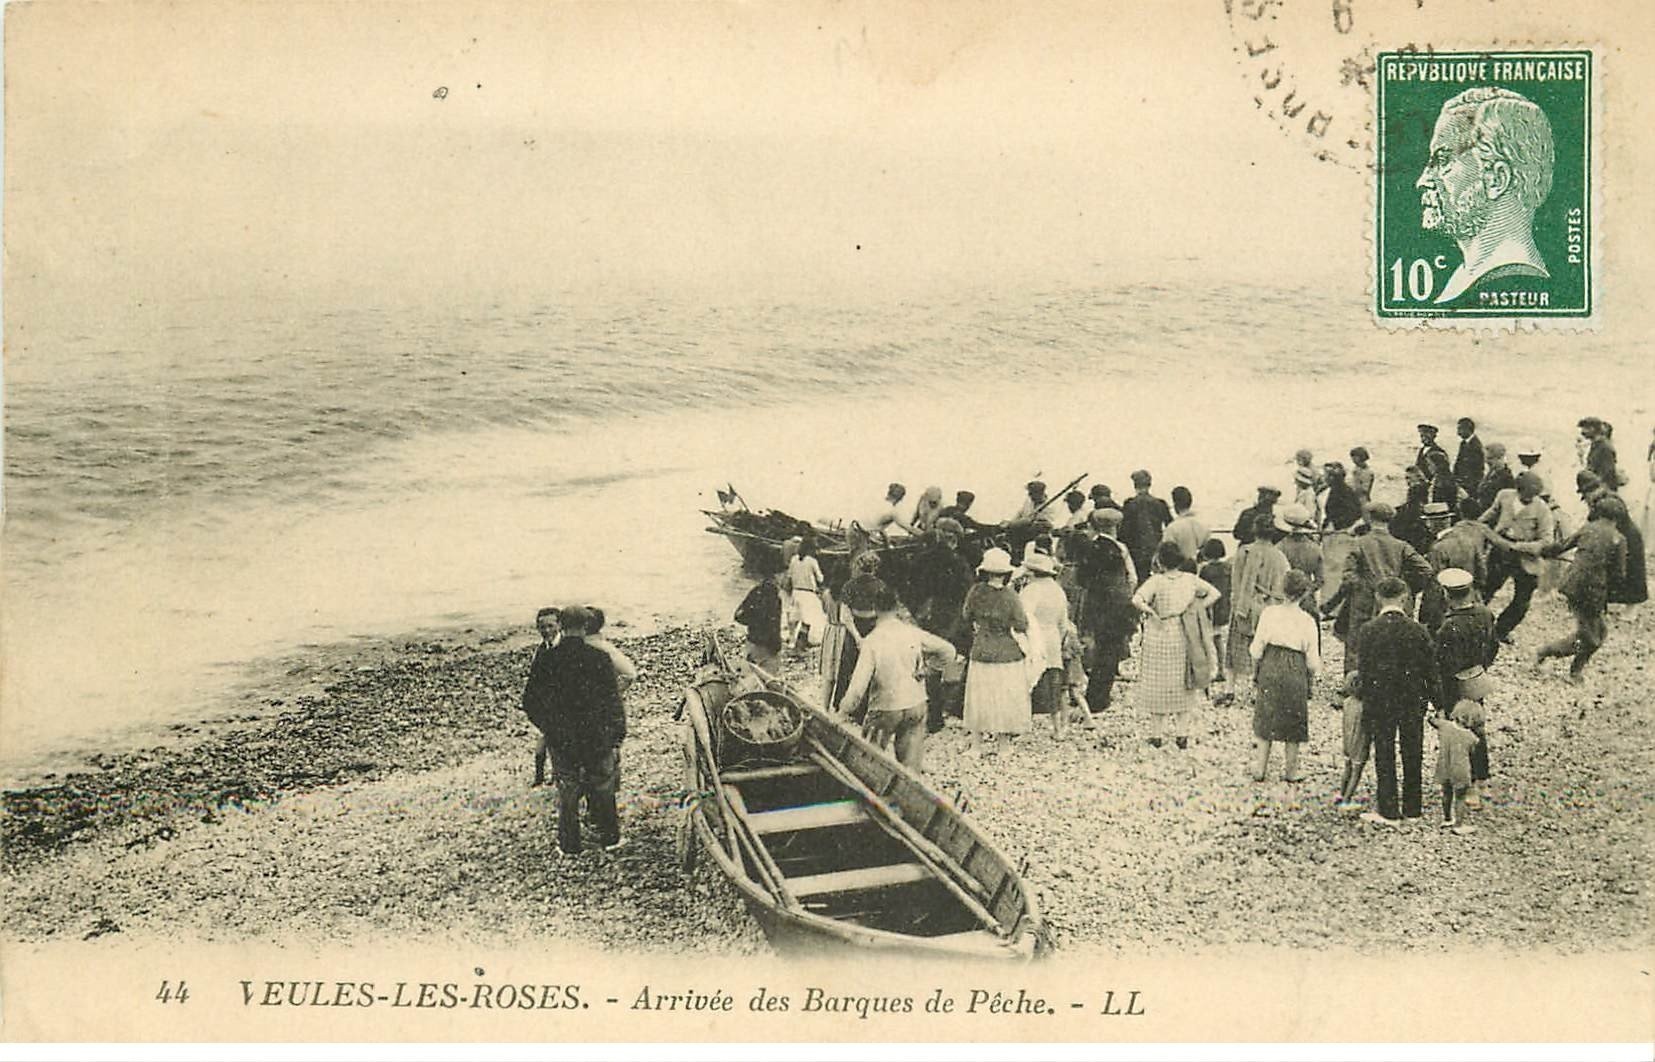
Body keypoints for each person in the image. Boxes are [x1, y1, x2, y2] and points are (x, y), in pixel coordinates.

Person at [1415, 87, 1556, 306]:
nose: (1422, 181)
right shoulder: (1464, 278)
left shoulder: (1511, 280)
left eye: (1442, 161)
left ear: (1496, 180)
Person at [533, 605, 628, 855]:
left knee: (567, 789)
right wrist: (616, 735)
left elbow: (531, 701)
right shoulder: (599, 658)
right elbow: (613, 701)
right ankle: (610, 838)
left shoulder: (547, 659)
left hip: (562, 737)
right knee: (603, 786)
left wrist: (549, 727)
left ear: (561, 626)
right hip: (596, 735)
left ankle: (569, 844)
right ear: (586, 627)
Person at [836, 583, 956, 773]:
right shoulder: (912, 632)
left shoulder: (872, 641)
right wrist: (927, 670)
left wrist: (842, 712)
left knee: (870, 763)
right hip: (916, 703)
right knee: (910, 768)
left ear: (874, 609)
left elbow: (857, 689)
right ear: (897, 607)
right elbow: (948, 651)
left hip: (885, 707)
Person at [1356, 578, 1436, 825]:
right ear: (1404, 598)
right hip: (1412, 700)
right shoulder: (1418, 630)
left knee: (1384, 751)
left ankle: (1389, 808)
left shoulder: (1368, 630)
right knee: (1413, 750)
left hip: (1380, 701)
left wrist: (1363, 699)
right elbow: (1430, 670)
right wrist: (1438, 702)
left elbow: (1364, 671)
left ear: (1378, 597)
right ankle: (1413, 807)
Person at [1130, 541, 1221, 750]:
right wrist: (1197, 608)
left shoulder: (1156, 581)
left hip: (1159, 631)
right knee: (1184, 680)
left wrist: (1151, 612)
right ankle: (1182, 733)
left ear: (1160, 561)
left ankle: (1156, 734)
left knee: (1157, 681)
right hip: (1183, 630)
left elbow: (1137, 599)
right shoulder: (1190, 579)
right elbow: (1215, 593)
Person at [1330, 502, 1433, 673]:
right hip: (1394, 601)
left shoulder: (1359, 543)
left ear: (1370, 519)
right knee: (1394, 644)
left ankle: (1354, 684)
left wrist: (1362, 587)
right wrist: (1406, 588)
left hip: (1364, 603)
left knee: (1357, 647)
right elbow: (1426, 570)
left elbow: (1348, 577)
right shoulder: (1401, 546)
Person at [1536, 494, 1628, 684]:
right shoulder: (1618, 539)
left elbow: (1561, 546)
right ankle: (1554, 657)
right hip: (1593, 591)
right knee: (1592, 638)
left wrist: (1543, 551)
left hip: (1572, 585)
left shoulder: (1588, 528)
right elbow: (1619, 574)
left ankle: (1569, 665)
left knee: (1597, 633)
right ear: (1618, 518)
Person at [1248, 569, 1322, 782]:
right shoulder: (1307, 620)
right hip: (1295, 667)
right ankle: (1291, 770)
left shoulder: (1269, 613)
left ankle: (1260, 768)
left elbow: (1256, 649)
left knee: (1266, 716)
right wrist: (1312, 676)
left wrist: (1256, 670)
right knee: (1294, 717)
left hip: (1271, 663)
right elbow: (1312, 660)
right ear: (1305, 593)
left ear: (1282, 589)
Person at [1431, 567, 1496, 805]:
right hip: (1477, 678)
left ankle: (1467, 787)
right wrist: (1482, 666)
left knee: (1458, 734)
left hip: (1454, 686)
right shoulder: (1485, 614)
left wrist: (1438, 698)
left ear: (1446, 594)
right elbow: (1493, 645)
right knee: (1477, 728)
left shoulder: (1447, 627)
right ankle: (1483, 779)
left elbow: (1441, 665)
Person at [961, 548, 1032, 754]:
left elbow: (966, 615)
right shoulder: (1010, 595)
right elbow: (1021, 624)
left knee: (979, 697)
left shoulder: (976, 592)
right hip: (1006, 651)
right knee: (1004, 697)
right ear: (1006, 573)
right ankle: (1003, 745)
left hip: (982, 648)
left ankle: (976, 745)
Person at [910, 517, 974, 731]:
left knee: (930, 663)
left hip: (928, 614)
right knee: (969, 655)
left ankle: (933, 715)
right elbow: (967, 590)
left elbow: (911, 586)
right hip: (953, 615)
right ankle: (958, 706)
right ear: (953, 539)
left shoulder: (923, 558)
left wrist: (918, 610)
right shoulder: (959, 562)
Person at [1077, 508, 1138, 720]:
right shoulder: (1121, 548)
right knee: (1111, 651)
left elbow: (1082, 579)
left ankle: (1094, 696)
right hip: (1118, 606)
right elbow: (1132, 578)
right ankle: (1100, 696)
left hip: (1097, 605)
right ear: (1115, 527)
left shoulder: (1090, 548)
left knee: (1098, 648)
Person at [1480, 470, 1554, 643]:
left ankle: (1501, 630)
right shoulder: (1504, 495)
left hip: (1525, 557)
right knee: (1487, 588)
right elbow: (1490, 514)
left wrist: (1518, 547)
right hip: (1500, 550)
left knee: (1522, 600)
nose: (1529, 498)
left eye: (1533, 496)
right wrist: (1477, 525)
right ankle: (1473, 624)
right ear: (1518, 489)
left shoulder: (1542, 510)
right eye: (1526, 495)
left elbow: (1546, 541)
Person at [1226, 512, 1289, 696]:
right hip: (1269, 606)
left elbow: (1236, 583)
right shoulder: (1279, 556)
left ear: (1254, 530)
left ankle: (1230, 688)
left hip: (1245, 604)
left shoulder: (1244, 552)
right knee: (1263, 648)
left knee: (1235, 648)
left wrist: (1237, 604)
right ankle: (1256, 689)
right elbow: (1282, 586)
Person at [1020, 550, 1075, 736]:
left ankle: (1023, 722)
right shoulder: (1058, 590)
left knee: (1027, 680)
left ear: (1032, 572)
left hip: (1033, 638)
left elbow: (1023, 618)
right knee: (1055, 684)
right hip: (1053, 638)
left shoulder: (1030, 590)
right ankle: (1058, 727)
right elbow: (1064, 622)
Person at [1417, 498, 1488, 630]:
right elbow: (1482, 571)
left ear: (1432, 523)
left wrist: (1425, 615)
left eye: (1427, 521)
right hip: (1470, 599)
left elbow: (1434, 586)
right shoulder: (1469, 540)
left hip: (1445, 608)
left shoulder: (1438, 548)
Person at [523, 606, 564, 788]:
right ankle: (541, 777)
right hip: (547, 706)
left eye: (550, 626)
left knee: (556, 742)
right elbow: (534, 682)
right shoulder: (541, 650)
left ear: (559, 625)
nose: (546, 631)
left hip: (564, 705)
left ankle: (556, 776)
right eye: (542, 627)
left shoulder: (567, 648)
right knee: (548, 739)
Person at [1432, 700, 1486, 835]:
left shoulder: (1445, 726)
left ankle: (1447, 818)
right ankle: (1459, 824)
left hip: (1444, 767)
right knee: (1460, 797)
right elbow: (1473, 750)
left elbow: (1433, 721)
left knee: (1446, 793)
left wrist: (1435, 716)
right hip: (1460, 771)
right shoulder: (1471, 737)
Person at [1120, 470, 1172, 585]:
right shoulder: (1160, 504)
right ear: (1150, 484)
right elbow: (1170, 527)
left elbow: (1123, 532)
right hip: (1155, 550)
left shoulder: (1129, 504)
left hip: (1135, 552)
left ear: (1135, 485)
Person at [1276, 504, 1324, 625]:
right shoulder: (1315, 549)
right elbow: (1320, 580)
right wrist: (1306, 591)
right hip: (1307, 600)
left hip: (1284, 599)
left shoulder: (1280, 548)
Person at [734, 561, 785, 674]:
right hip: (767, 647)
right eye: (782, 574)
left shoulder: (754, 592)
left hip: (751, 642)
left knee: (749, 676)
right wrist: (777, 647)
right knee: (768, 679)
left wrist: (753, 623)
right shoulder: (775, 597)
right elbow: (774, 625)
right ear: (776, 576)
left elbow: (738, 615)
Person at [1197, 538, 1233, 699]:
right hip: (1225, 606)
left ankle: (1210, 670)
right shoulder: (1228, 568)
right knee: (1218, 638)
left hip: (1211, 607)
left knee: (1207, 640)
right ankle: (1221, 669)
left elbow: (1201, 590)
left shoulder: (1206, 570)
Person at [1332, 671, 1369, 811]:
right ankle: (1347, 800)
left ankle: (1341, 794)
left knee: (1347, 768)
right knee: (1356, 772)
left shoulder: (1347, 703)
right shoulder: (1364, 707)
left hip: (1347, 742)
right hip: (1359, 742)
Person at [787, 538, 827, 650]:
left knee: (794, 618)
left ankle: (792, 641)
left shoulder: (794, 559)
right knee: (807, 620)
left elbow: (789, 576)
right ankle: (801, 644)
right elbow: (820, 578)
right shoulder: (812, 561)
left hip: (796, 591)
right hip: (808, 593)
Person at [1163, 486, 1209, 566]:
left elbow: (1167, 553)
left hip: (1179, 567)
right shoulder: (1203, 525)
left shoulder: (1172, 528)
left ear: (1175, 505)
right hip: (1199, 567)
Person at [1578, 417, 1622, 489]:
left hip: (1604, 489)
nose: (1582, 432)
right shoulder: (1595, 445)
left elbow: (1608, 472)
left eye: (1585, 428)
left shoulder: (1604, 447)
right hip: (1596, 488)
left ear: (1592, 429)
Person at [1321, 461, 1363, 534]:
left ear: (1332, 477)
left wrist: (1334, 524)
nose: (1323, 478)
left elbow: (1354, 512)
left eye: (1325, 475)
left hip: (1341, 531)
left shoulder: (1343, 492)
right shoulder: (1333, 489)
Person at [1476, 441, 1516, 512]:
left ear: (1500, 458)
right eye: (1485, 458)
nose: (1486, 461)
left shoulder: (1506, 477)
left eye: (1490, 458)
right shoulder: (1491, 472)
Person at [1453, 417, 1486, 497]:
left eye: (1460, 429)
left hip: (1470, 486)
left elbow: (1477, 469)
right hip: (1463, 484)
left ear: (1467, 429)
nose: (1458, 433)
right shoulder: (1463, 444)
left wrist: (1467, 485)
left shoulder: (1476, 446)